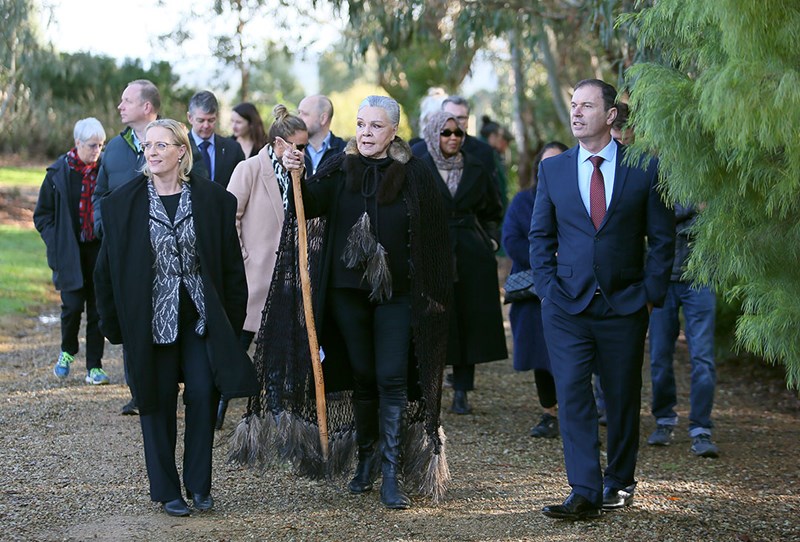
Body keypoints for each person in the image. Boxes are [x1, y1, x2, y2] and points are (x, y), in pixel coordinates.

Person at [231, 96, 452, 509]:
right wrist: (294, 174)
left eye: (376, 127)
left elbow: (436, 233)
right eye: (362, 124)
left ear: (393, 132)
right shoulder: (338, 166)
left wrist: (432, 295)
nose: (366, 133)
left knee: (391, 378)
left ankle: (390, 471)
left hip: (397, 295)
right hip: (347, 294)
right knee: (364, 376)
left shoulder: (414, 173)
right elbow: (308, 208)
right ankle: (365, 459)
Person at [94, 119, 258, 517]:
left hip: (200, 320)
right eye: (147, 146)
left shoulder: (214, 200)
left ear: (181, 151)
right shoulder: (122, 203)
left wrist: (230, 324)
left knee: (203, 395)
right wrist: (115, 327)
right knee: (157, 399)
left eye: (161, 145)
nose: (151, 152)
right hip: (150, 323)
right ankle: (167, 490)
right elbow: (105, 272)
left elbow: (233, 271)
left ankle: (200, 487)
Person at [530, 79, 675, 519]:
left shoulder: (644, 167)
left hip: (625, 304)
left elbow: (662, 239)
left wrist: (650, 294)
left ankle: (620, 481)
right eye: (573, 104)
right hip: (565, 306)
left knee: (622, 396)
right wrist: (548, 290)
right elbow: (540, 235)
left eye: (586, 105)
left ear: (611, 115)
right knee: (572, 394)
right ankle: (585, 491)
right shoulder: (553, 170)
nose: (575, 112)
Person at [93, 79, 205, 415]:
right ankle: (139, 390)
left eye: (126, 100)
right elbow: (100, 193)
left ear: (146, 106)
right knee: (132, 313)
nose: (119, 106)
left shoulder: (175, 143)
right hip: (124, 250)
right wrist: (105, 227)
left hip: (168, 255)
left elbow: (195, 192)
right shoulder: (113, 148)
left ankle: (179, 384)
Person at [215, 105, 308, 430]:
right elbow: (228, 217)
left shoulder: (299, 171)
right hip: (254, 277)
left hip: (287, 277)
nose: (303, 151)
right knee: (238, 344)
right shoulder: (250, 168)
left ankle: (278, 410)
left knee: (279, 346)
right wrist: (244, 259)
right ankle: (218, 405)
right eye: (299, 145)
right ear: (280, 143)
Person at [420, 110, 507, 415]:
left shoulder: (477, 167)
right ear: (434, 134)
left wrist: (491, 241)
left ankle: (462, 391)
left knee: (467, 318)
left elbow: (493, 210)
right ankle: (428, 390)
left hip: (471, 252)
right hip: (431, 249)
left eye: (458, 133)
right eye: (446, 133)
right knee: (433, 318)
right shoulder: (419, 166)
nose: (453, 138)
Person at [33, 117, 109, 385]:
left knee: (97, 310)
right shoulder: (57, 173)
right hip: (70, 252)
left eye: (101, 144)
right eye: (91, 145)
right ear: (77, 144)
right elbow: (42, 216)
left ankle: (94, 366)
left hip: (98, 251)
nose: (97, 150)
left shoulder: (104, 170)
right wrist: (57, 242)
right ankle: (67, 351)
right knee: (72, 307)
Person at [501, 141, 568, 438]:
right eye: (546, 163)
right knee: (540, 352)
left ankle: (575, 411)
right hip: (532, 289)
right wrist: (543, 257)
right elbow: (511, 239)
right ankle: (549, 412)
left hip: (571, 285)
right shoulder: (523, 201)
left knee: (571, 352)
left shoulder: (576, 197)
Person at [647, 203, 719, 458]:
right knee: (658, 356)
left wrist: (676, 214)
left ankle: (701, 428)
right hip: (663, 280)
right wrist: (690, 210)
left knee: (702, 358)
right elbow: (655, 215)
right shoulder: (657, 174)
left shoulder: (705, 171)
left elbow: (716, 214)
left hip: (700, 278)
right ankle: (664, 421)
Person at [187, 90, 245, 188]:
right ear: (190, 118)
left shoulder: (233, 149)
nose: (206, 126)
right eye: (200, 120)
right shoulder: (178, 148)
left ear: (217, 116)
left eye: (211, 120)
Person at [296, 94, 347, 175]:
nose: (298, 118)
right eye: (299, 112)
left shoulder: (345, 152)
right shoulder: (293, 151)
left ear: (323, 119)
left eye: (304, 114)